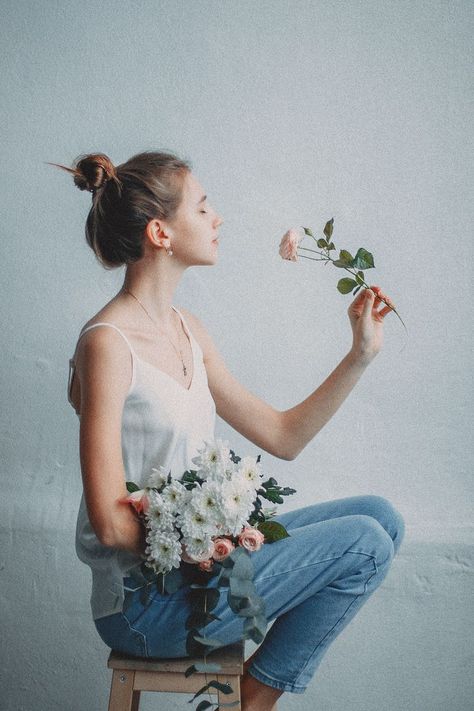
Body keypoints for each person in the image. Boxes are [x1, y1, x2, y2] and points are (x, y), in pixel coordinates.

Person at [59, 150, 405, 711]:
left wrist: (359, 355)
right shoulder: (107, 343)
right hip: (143, 606)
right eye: (202, 205)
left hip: (199, 572)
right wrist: (204, 547)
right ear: (160, 232)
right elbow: (109, 520)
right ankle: (255, 700)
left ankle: (249, 693)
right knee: (363, 546)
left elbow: (284, 436)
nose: (217, 217)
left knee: (382, 519)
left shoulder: (187, 329)